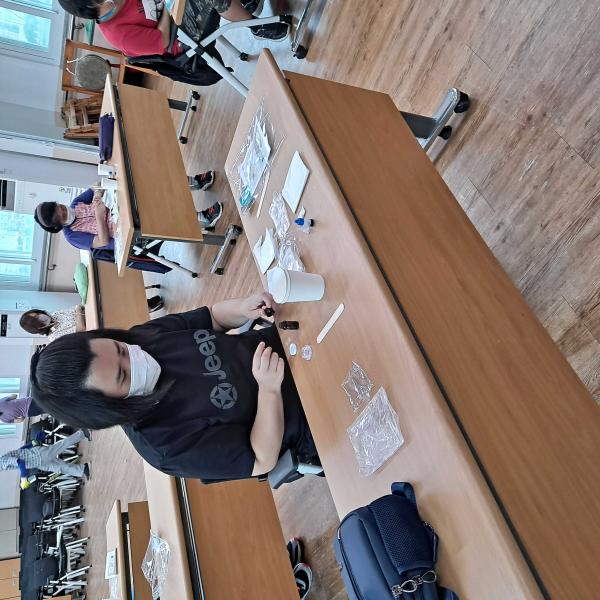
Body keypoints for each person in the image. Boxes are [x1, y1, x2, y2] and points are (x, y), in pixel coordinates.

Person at [30, 292, 318, 482]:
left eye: (121, 349)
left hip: (293, 345)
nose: (136, 358)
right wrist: (269, 390)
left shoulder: (142, 338)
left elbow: (213, 318)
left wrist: (243, 308)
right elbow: (261, 459)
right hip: (310, 418)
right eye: (123, 375)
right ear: (106, 407)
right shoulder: (163, 445)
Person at [33, 172, 221, 245]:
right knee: (149, 211)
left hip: (122, 206)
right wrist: (99, 216)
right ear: (58, 225)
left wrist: (97, 195)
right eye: (62, 215)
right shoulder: (72, 236)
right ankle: (201, 218)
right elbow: (103, 241)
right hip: (125, 231)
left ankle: (194, 182)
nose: (66, 211)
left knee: (145, 180)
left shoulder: (76, 204)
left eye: (61, 207)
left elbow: (97, 185)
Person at [56, 0, 287, 58]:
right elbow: (161, 40)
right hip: (178, 38)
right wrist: (168, 7)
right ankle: (256, 27)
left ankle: (244, 5)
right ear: (91, 9)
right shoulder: (117, 34)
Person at [0, 429, 91, 489]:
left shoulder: (1, 463)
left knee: (61, 445)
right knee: (60, 468)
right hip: (38, 463)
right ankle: (83, 469)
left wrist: (23, 479)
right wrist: (33, 443)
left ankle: (82, 433)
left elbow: (20, 462)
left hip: (39, 455)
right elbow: (21, 451)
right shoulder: (2, 463)